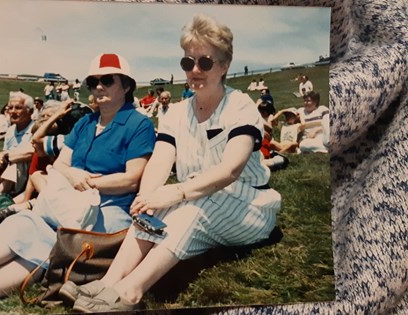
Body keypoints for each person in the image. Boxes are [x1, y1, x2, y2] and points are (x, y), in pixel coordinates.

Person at [63, 14, 281, 313]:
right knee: (155, 206)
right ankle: (109, 281)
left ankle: (131, 291)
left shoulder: (240, 105)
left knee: (190, 207)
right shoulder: (176, 113)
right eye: (187, 63)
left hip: (248, 203)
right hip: (201, 193)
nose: (194, 70)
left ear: (224, 65)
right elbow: (161, 160)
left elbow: (230, 170)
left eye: (205, 62)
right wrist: (147, 197)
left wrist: (176, 192)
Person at [0, 53, 156, 304]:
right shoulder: (85, 123)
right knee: (18, 224)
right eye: (92, 81)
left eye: (107, 80)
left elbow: (131, 179)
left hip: (105, 213)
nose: (98, 87)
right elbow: (62, 163)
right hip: (66, 205)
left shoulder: (138, 124)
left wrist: (87, 182)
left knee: (49, 247)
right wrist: (72, 174)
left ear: (126, 85)